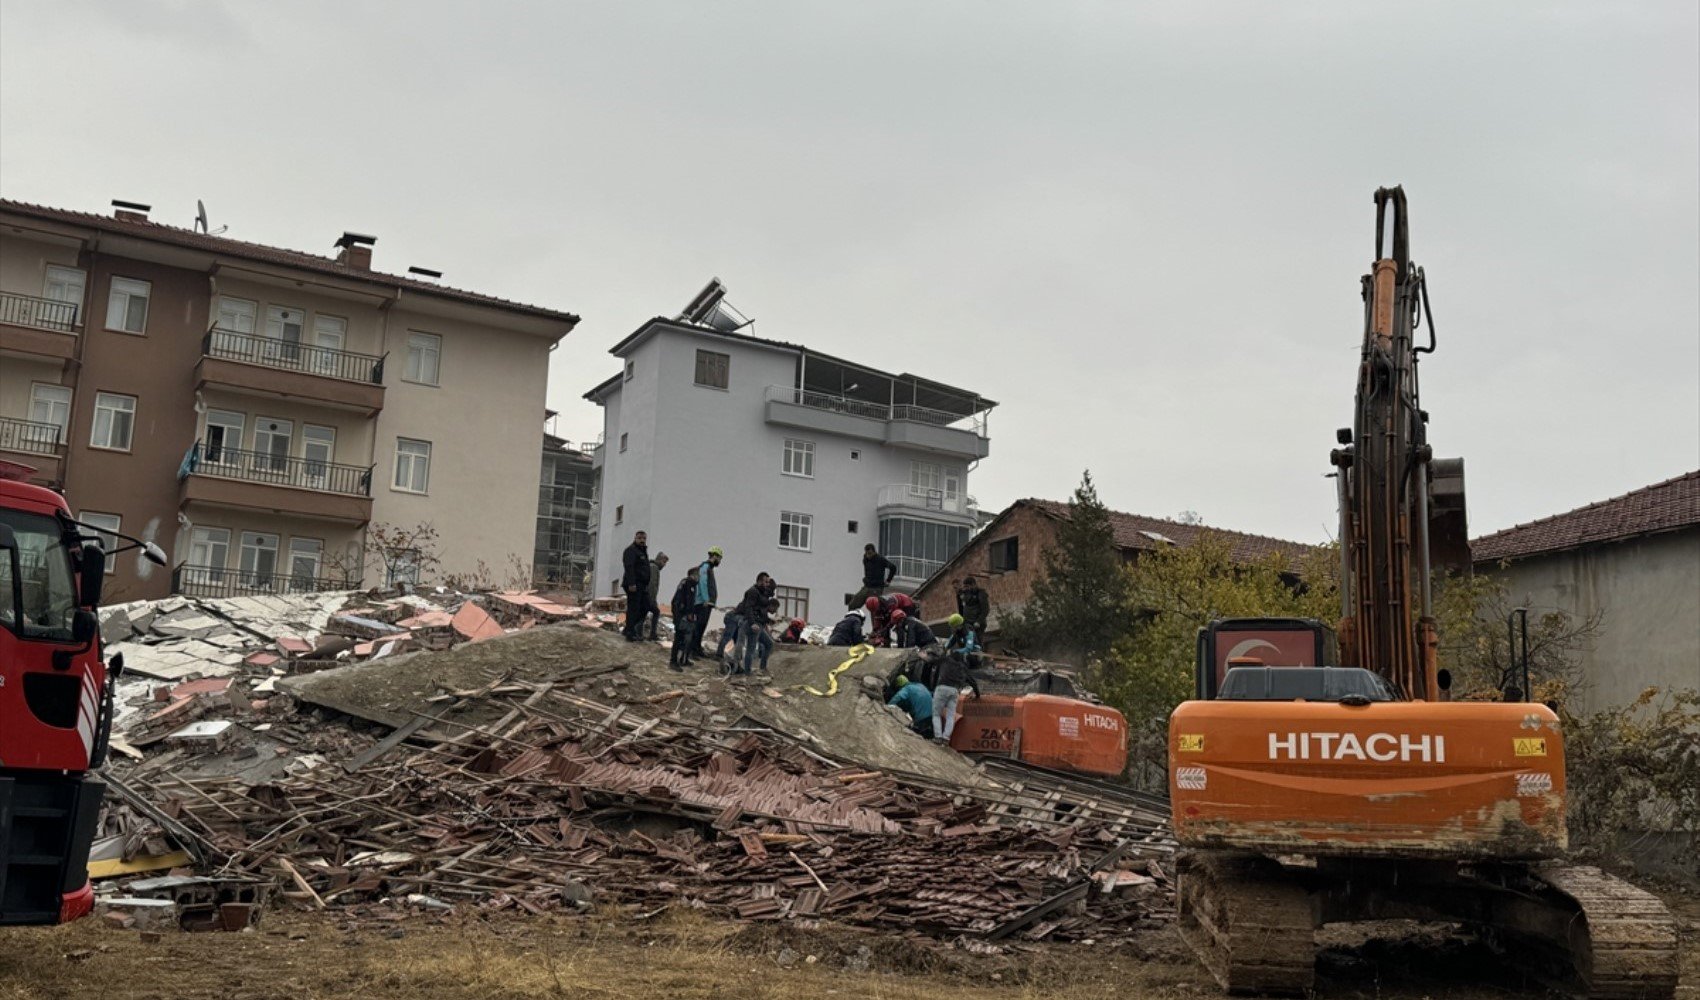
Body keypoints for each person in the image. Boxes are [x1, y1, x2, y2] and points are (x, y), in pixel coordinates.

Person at [721, 571, 772, 667]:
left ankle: (758, 667)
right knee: (744, 644)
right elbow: (749, 608)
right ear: (759, 581)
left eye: (768, 583)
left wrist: (765, 620)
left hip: (754, 622)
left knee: (768, 644)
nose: (767, 585)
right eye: (766, 582)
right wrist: (752, 622)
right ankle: (737, 665)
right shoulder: (753, 592)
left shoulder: (762, 594)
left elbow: (760, 610)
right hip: (744, 619)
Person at [931, 647, 981, 744]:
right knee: (951, 716)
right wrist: (977, 695)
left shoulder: (945, 661)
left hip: (941, 687)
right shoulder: (962, 667)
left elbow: (934, 665)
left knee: (936, 714)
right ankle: (946, 738)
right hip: (954, 691)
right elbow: (973, 682)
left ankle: (938, 737)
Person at [620, 531, 650, 640]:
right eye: (640, 538)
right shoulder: (631, 550)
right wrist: (632, 583)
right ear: (635, 538)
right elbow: (629, 567)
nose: (642, 540)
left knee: (646, 606)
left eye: (644, 538)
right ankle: (630, 633)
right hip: (634, 584)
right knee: (634, 608)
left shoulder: (642, 551)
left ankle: (629, 628)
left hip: (642, 585)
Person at [669, 566, 701, 671]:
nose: (699, 577)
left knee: (688, 639)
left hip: (688, 617)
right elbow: (678, 602)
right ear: (692, 575)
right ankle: (673, 661)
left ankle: (684, 659)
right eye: (697, 574)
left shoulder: (693, 586)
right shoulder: (686, 584)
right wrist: (680, 615)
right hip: (681, 616)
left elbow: (691, 602)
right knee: (679, 639)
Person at [693, 547, 723, 658]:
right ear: (714, 556)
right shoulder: (705, 567)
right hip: (702, 603)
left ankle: (697, 649)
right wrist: (706, 599)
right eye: (719, 558)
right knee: (698, 627)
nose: (719, 561)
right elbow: (703, 583)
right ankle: (693, 650)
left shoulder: (709, 568)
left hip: (706, 603)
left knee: (701, 627)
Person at [849, 544, 897, 610]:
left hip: (876, 589)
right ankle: (852, 619)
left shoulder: (880, 559)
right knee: (852, 605)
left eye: (870, 553)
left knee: (874, 609)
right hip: (866, 587)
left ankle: (876, 619)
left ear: (874, 552)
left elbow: (893, 567)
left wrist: (888, 580)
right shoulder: (865, 559)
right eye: (867, 554)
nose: (868, 556)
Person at [887, 674, 935, 739]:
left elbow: (897, 697)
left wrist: (887, 706)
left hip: (921, 719)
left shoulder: (907, 689)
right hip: (933, 717)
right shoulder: (920, 685)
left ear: (900, 686)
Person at [740, 597, 779, 675]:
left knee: (769, 644)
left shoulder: (763, 610)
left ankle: (763, 667)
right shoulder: (761, 607)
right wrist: (753, 624)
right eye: (775, 608)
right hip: (754, 627)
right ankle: (747, 671)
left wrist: (769, 621)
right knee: (751, 648)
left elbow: (763, 619)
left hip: (759, 627)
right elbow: (751, 614)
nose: (775, 611)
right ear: (771, 605)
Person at [643, 552, 670, 640]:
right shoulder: (654, 568)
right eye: (663, 562)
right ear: (658, 560)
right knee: (655, 612)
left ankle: (641, 632)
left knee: (643, 614)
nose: (664, 565)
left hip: (645, 596)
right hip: (648, 597)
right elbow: (652, 585)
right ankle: (652, 634)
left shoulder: (651, 566)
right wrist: (652, 599)